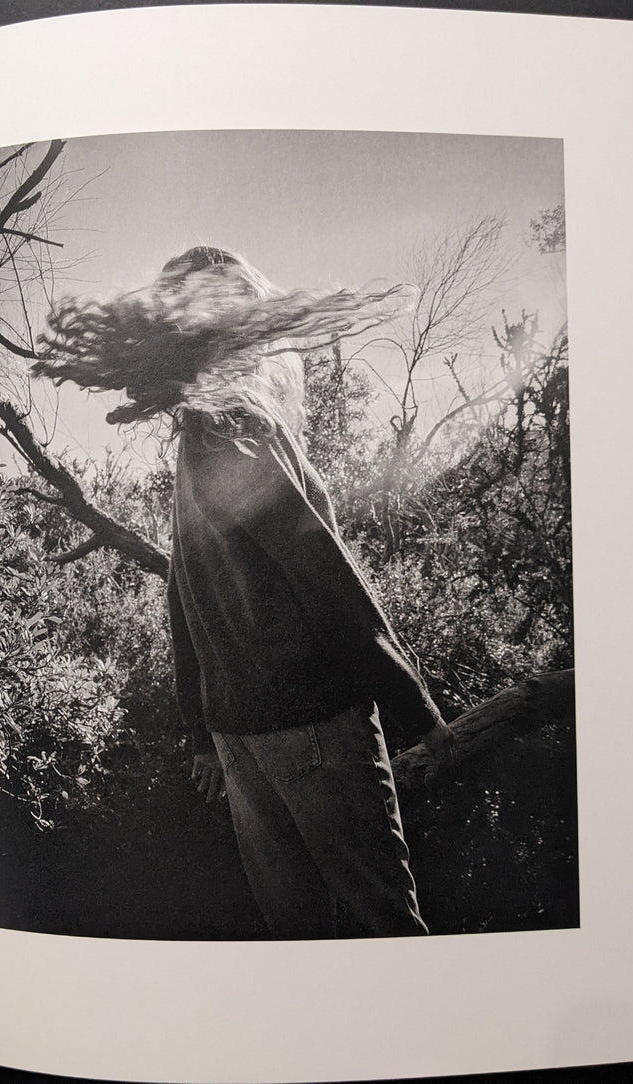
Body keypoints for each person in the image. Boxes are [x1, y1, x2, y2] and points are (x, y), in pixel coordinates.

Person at [36, 246, 455, 939]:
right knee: (381, 920)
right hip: (312, 721)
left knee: (295, 929)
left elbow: (182, 597)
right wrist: (415, 702)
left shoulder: (198, 435)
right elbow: (321, 571)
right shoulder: (240, 428)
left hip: (240, 735)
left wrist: (203, 733)